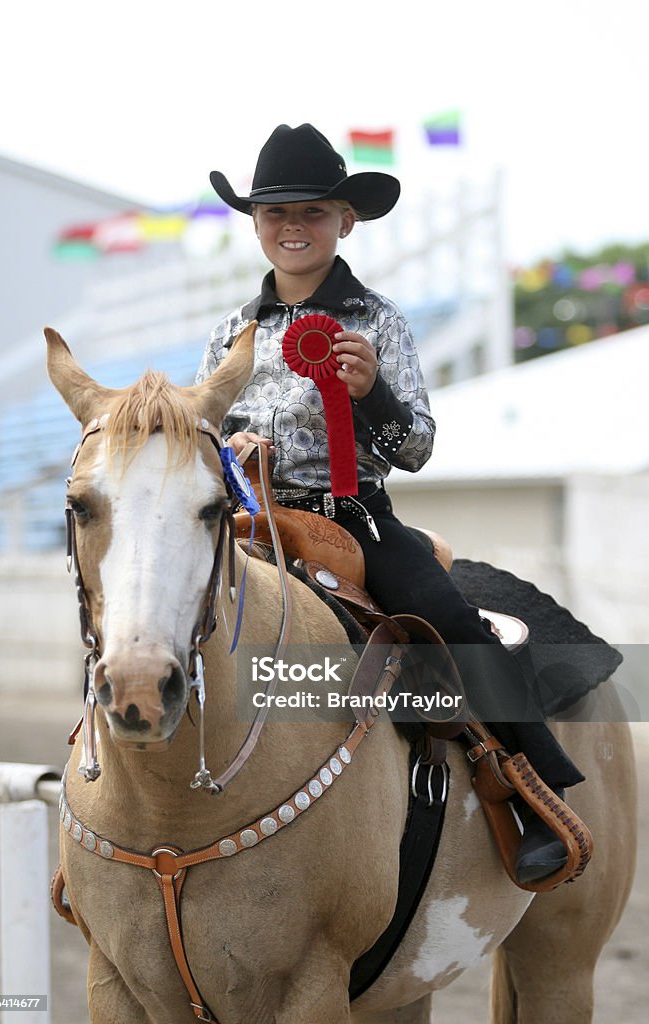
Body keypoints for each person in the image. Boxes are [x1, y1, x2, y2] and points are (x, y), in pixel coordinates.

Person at [195, 122, 584, 883]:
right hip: (248, 521)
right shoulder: (228, 333)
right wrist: (224, 457)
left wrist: (370, 395)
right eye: (275, 213)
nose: (292, 227)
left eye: (311, 212)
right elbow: (207, 434)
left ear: (347, 219)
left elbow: (414, 450)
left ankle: (533, 784)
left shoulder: (376, 321)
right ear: (254, 225)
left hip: (352, 518)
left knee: (445, 616)